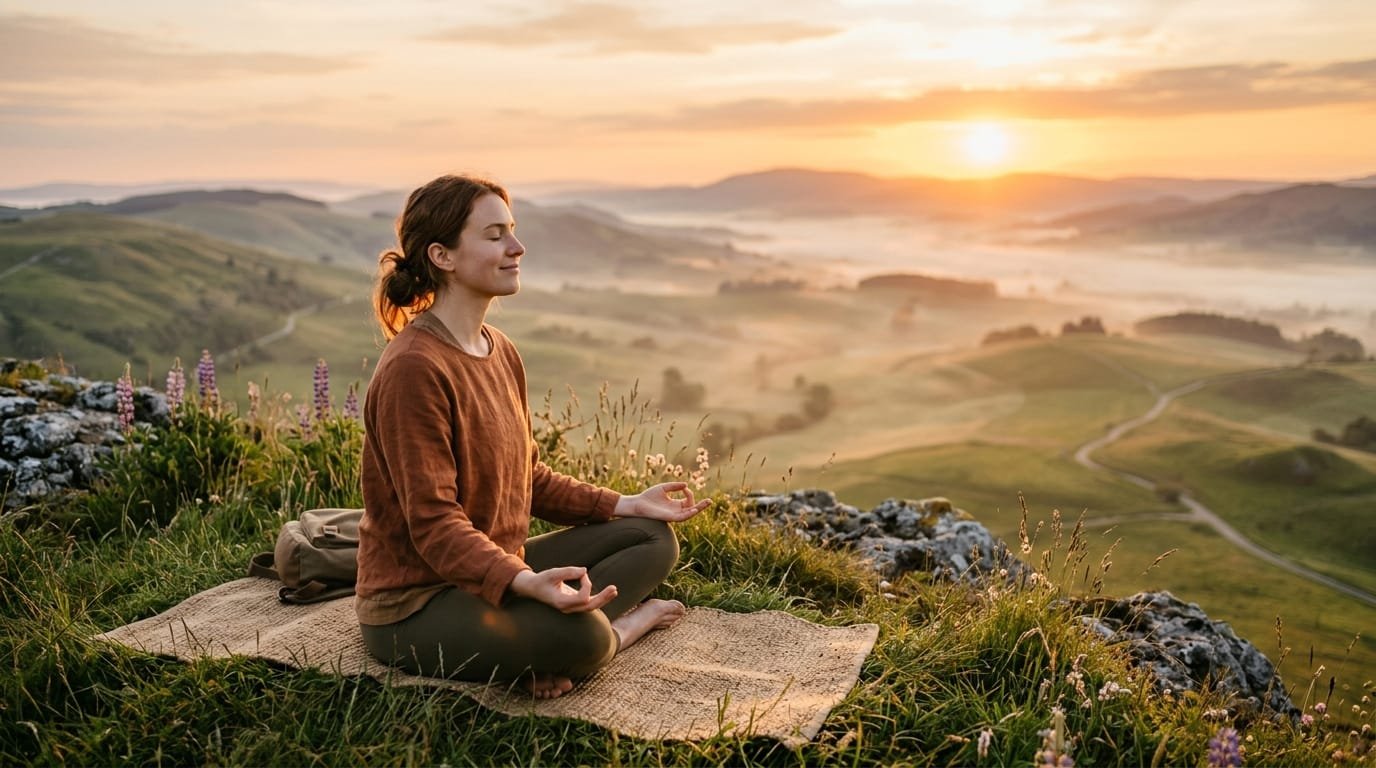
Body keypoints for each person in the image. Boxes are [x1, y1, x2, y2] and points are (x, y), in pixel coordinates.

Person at [356, 174, 709, 699]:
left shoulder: (499, 349)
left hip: (497, 569)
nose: (517, 247)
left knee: (650, 538)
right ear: (443, 256)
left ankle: (537, 640)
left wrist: (627, 502)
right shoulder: (414, 369)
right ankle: (619, 630)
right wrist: (525, 583)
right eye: (495, 235)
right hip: (418, 603)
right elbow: (433, 525)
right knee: (582, 639)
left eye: (512, 231)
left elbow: (529, 477)